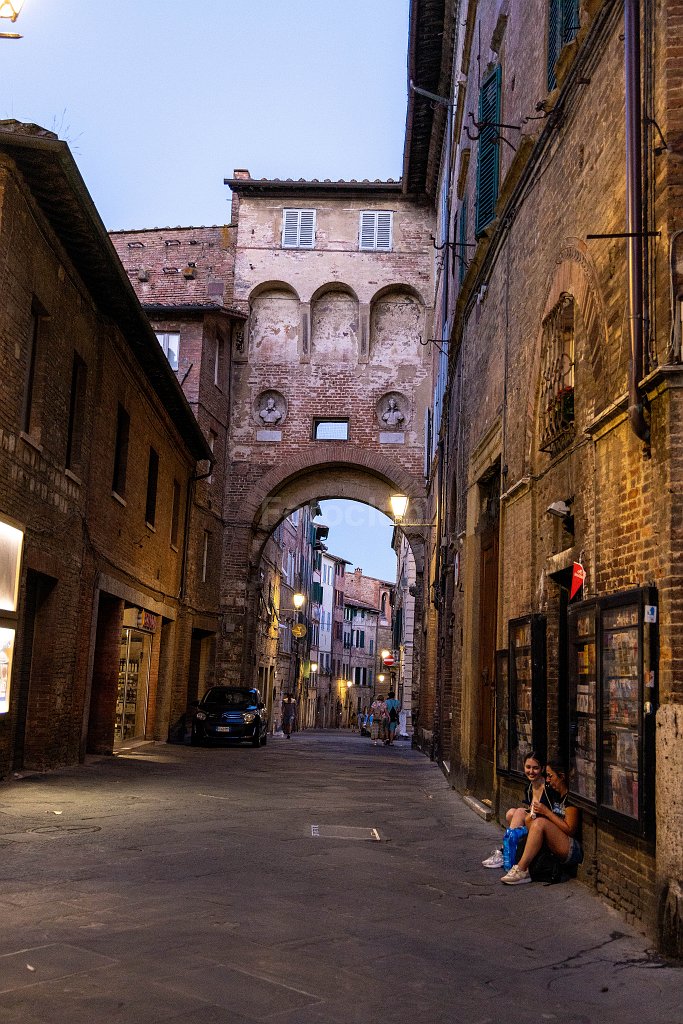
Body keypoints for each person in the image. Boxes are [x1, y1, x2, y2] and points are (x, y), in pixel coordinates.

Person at [500, 757, 584, 885]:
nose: (548, 780)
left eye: (550, 776)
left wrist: (547, 812)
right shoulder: (555, 795)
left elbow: (570, 830)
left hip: (571, 849)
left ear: (561, 776)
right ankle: (511, 857)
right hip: (554, 844)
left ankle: (522, 869)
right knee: (528, 817)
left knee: (540, 823)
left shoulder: (570, 799)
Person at [482, 751, 556, 868]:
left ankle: (504, 853)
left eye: (535, 768)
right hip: (533, 821)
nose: (531, 771)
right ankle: (512, 851)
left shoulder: (548, 788)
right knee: (511, 813)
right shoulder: (529, 788)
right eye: (528, 767)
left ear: (542, 769)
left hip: (544, 826)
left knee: (520, 812)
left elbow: (552, 812)